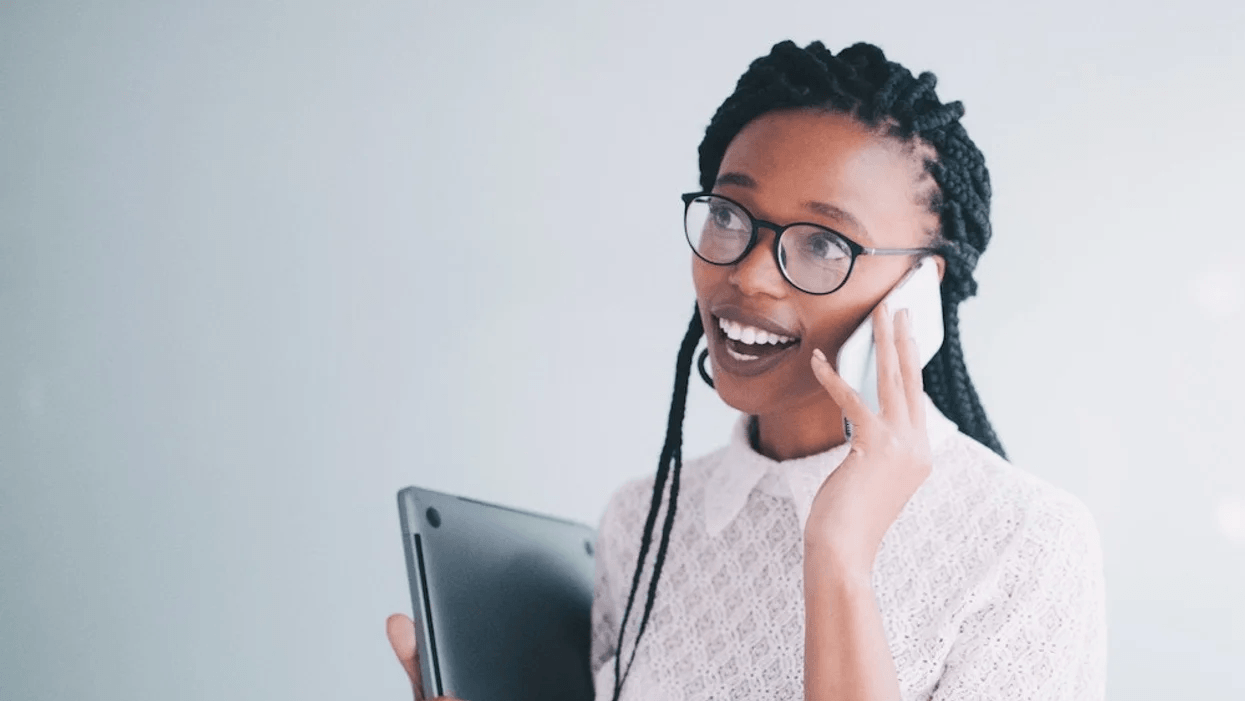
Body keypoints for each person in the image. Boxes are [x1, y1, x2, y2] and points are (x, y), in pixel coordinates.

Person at [387, 39, 1107, 700]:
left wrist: (840, 556)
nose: (750, 274)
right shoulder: (640, 519)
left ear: (918, 288)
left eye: (824, 242)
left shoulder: (1024, 541)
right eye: (728, 214)